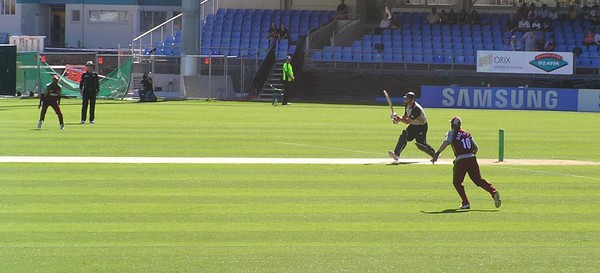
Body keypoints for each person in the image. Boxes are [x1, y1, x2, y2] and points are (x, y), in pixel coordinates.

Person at [431, 116, 501, 210]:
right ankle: (493, 192)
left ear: (452, 125)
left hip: (461, 159)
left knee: (457, 182)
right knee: (478, 180)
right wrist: (469, 157)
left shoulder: (451, 133)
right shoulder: (467, 134)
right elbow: (476, 148)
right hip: (472, 158)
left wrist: (437, 153)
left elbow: (447, 142)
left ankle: (466, 202)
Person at [388, 92, 436, 161]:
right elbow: (405, 117)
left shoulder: (416, 109)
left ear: (412, 100)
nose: (405, 100)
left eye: (407, 99)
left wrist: (398, 119)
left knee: (421, 144)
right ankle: (396, 154)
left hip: (421, 127)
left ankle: (434, 155)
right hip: (413, 125)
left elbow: (407, 121)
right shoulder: (407, 105)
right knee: (404, 135)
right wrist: (396, 118)